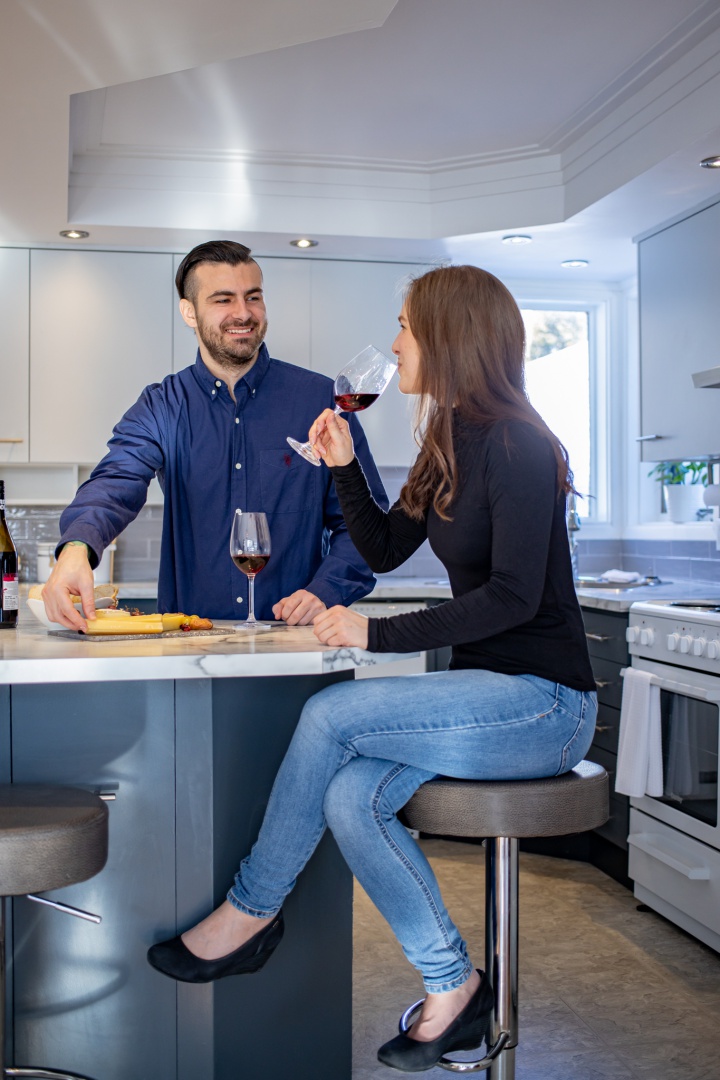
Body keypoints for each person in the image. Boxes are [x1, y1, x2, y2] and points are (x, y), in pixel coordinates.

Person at [146, 265, 598, 1072]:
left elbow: (513, 599)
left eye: (405, 328)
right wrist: (344, 463)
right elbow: (386, 548)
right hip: (486, 696)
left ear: (449, 337)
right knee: (351, 797)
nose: (393, 346)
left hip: (545, 706)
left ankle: (252, 913)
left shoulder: (519, 444)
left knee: (330, 714)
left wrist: (374, 635)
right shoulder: (449, 439)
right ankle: (454, 986)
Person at [41, 240, 387, 631]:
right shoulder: (162, 406)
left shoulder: (320, 401)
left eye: (253, 297)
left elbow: (366, 525)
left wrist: (325, 590)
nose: (243, 313)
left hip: (295, 639)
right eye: (223, 299)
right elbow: (115, 481)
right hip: (188, 641)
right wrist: (76, 548)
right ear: (189, 312)